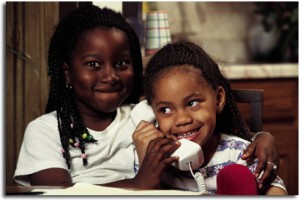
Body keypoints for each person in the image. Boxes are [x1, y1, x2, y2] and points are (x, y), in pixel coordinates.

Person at [14, 5, 279, 189]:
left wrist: (262, 138)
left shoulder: (145, 114)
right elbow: (55, 195)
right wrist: (140, 183)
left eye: (122, 63)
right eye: (94, 64)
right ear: (68, 74)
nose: (111, 76)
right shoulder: (45, 131)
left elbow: (205, 127)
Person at [133, 41, 287, 194]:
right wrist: (146, 166)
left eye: (192, 103)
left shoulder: (239, 154)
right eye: (165, 109)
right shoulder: (152, 159)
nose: (182, 119)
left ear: (218, 100)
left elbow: (276, 191)